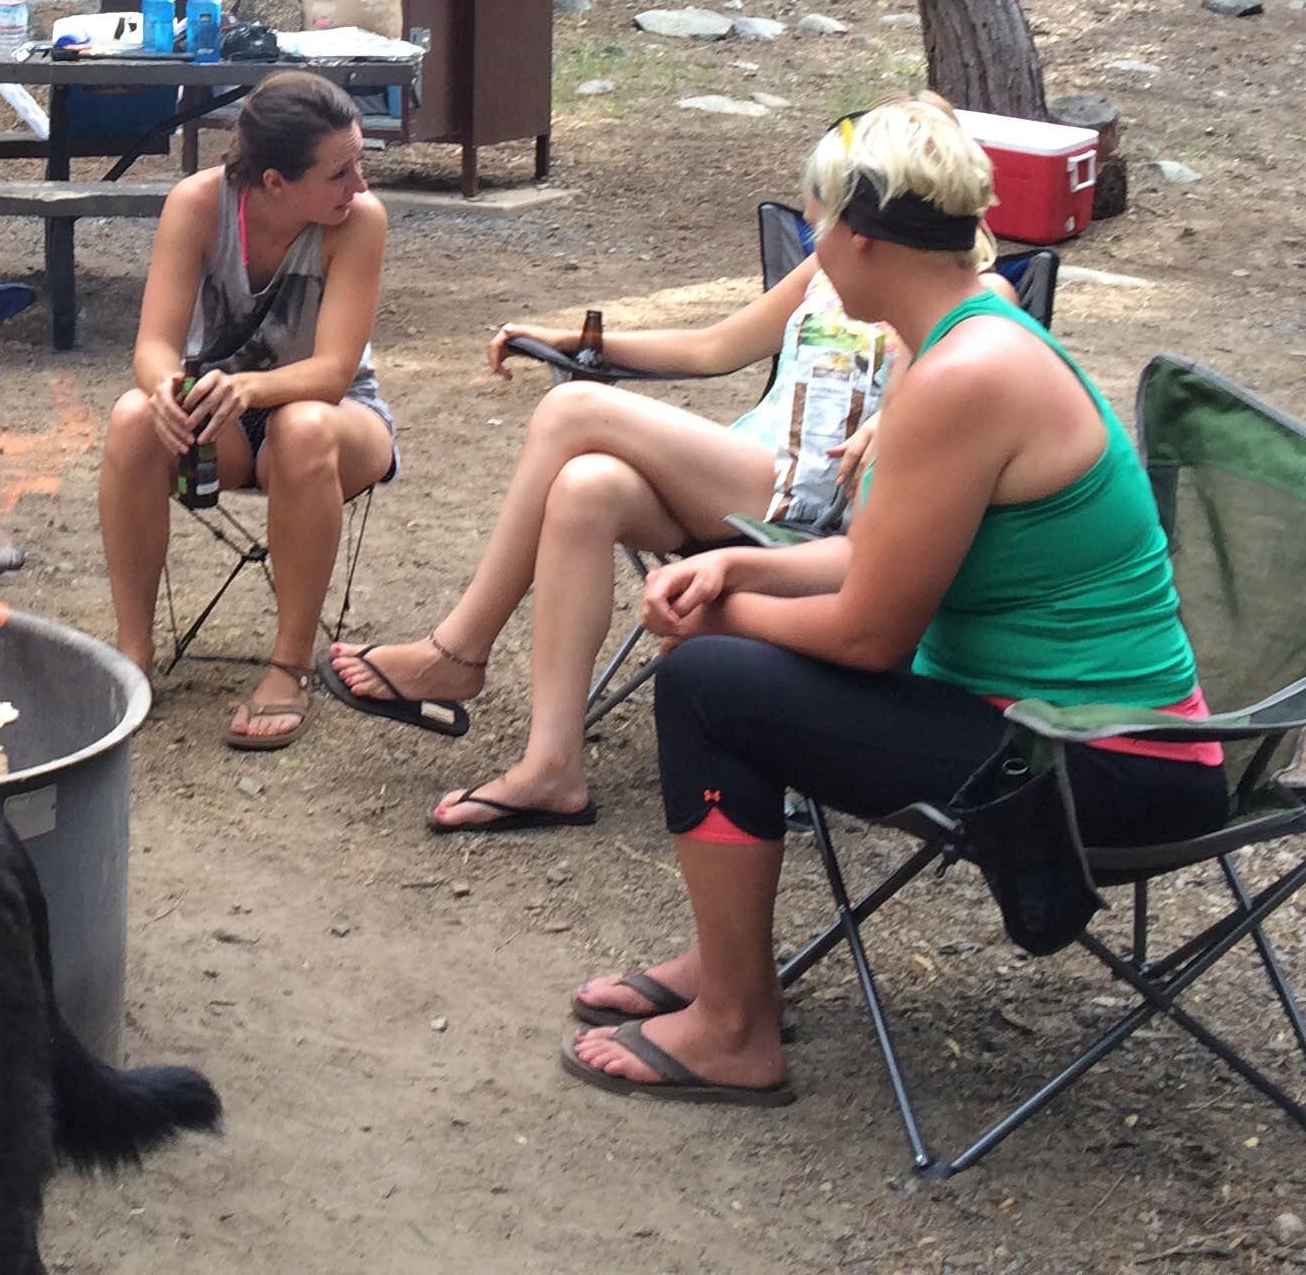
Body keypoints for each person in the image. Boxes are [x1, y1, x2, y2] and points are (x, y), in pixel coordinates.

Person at [560, 96, 1228, 1106]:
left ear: (862, 241)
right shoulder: (972, 331)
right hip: (1074, 733)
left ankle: (735, 1029)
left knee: (706, 679)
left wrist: (718, 614)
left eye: (820, 226)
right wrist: (739, 570)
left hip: (1090, 764)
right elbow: (881, 558)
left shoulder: (965, 376)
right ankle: (726, 968)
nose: (815, 247)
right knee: (719, 648)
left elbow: (871, 634)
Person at [326, 181, 956, 832]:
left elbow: (931, 411)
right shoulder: (830, 265)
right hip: (747, 471)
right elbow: (714, 347)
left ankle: (458, 651)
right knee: (586, 487)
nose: (815, 215)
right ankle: (552, 769)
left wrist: (896, 420)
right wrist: (577, 339)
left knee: (572, 408)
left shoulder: (956, 295)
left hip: (809, 505)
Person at [97, 71, 395, 751]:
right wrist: (166, 393)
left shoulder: (357, 224)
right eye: (341, 172)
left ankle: (288, 665)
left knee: (302, 426)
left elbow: (334, 372)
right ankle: (133, 653)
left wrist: (251, 391)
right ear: (274, 183)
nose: (361, 186)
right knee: (131, 417)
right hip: (223, 418)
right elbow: (153, 347)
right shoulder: (199, 205)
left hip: (340, 419)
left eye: (360, 164)